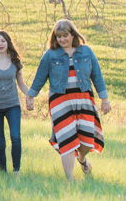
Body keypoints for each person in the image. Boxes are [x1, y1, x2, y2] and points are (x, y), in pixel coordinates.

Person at [25, 19, 112, 181]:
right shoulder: (50, 55)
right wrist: (31, 96)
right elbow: (39, 78)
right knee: (67, 141)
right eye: (59, 37)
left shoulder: (86, 52)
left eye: (65, 36)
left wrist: (104, 99)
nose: (62, 40)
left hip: (84, 100)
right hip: (60, 102)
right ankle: (70, 181)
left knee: (87, 140)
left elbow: (97, 76)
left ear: (73, 35)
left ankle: (82, 159)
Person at [0, 30, 30, 175]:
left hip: (12, 105)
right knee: (0, 142)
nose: (0, 44)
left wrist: (31, 95)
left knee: (15, 136)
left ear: (8, 42)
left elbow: (21, 84)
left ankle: (16, 170)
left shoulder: (15, 60)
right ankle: (3, 172)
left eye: (3, 41)